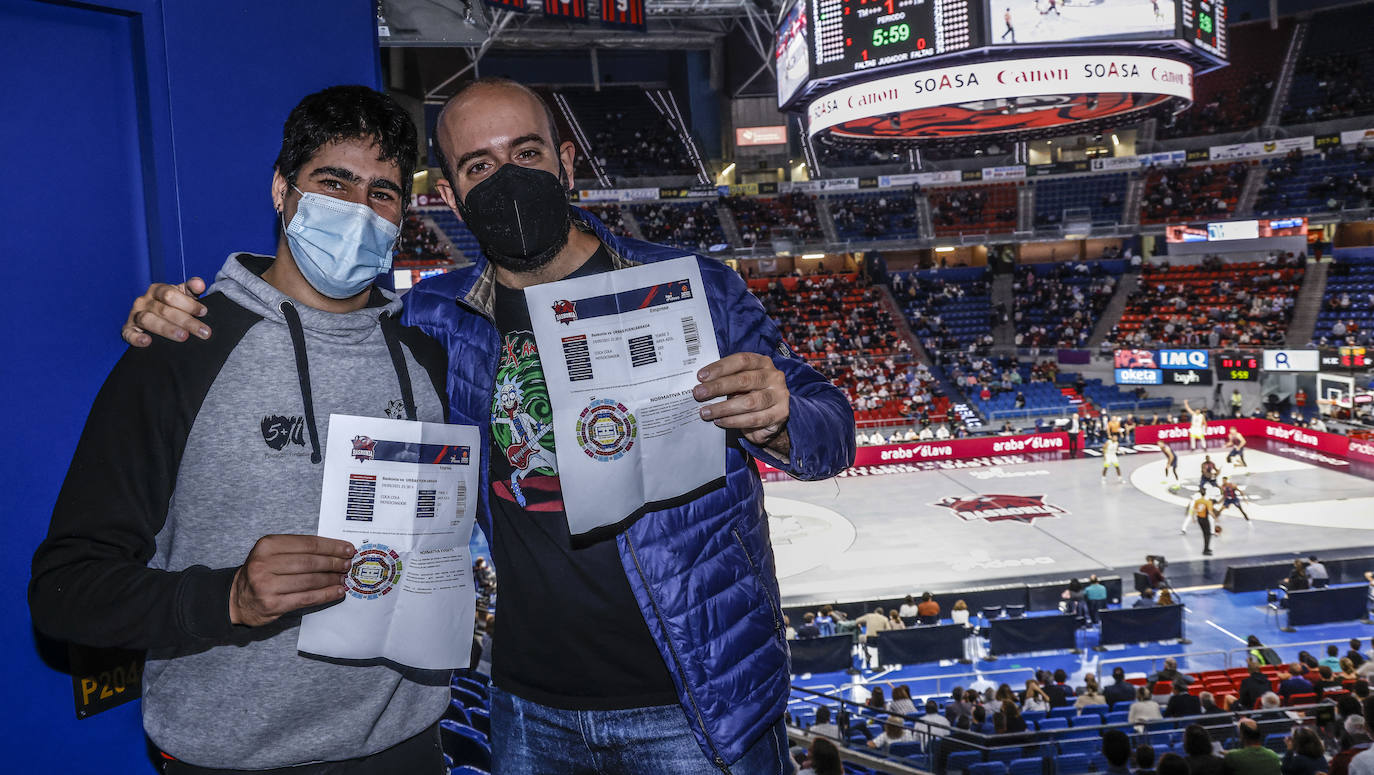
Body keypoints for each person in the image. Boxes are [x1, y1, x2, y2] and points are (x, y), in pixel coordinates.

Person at [122, 76, 855, 773]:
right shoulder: (433, 319)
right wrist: (194, 313)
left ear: (565, 162)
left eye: (526, 153)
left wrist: (783, 416)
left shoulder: (692, 286)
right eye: (479, 164)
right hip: (529, 707)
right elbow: (310, 315)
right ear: (448, 193)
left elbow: (833, 429)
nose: (507, 177)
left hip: (697, 701)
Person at [29, 87, 456, 773]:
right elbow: (65, 588)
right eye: (333, 181)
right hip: (231, 757)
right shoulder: (183, 346)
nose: (357, 209)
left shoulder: (424, 354)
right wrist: (224, 596)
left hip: (407, 745)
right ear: (283, 191)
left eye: (382, 192)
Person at [1188, 487, 1218, 555]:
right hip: (1205, 519)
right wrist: (1215, 518)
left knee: (1205, 533)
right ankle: (1206, 549)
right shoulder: (1208, 502)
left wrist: (1193, 518)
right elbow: (1210, 512)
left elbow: (1194, 510)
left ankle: (1206, 548)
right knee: (1207, 534)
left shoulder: (1197, 501)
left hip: (1199, 518)